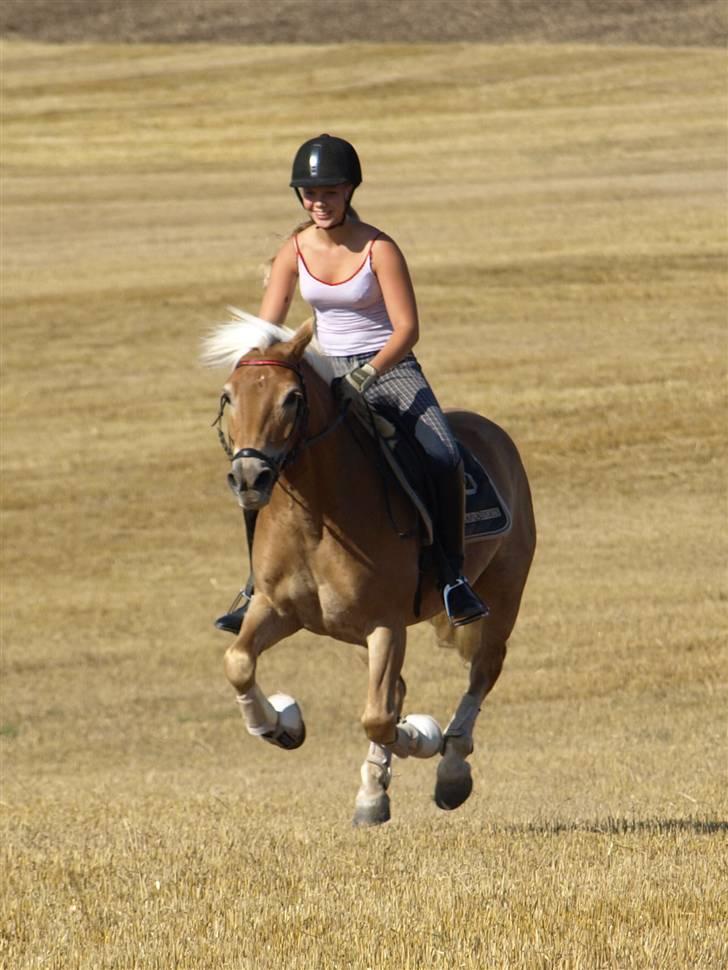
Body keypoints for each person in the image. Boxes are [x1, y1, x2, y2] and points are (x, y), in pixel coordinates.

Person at [216, 134, 487, 633]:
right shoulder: (293, 251)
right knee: (257, 458)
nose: (318, 202)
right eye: (310, 194)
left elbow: (407, 328)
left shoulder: (379, 248)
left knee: (443, 454)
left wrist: (367, 372)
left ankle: (452, 576)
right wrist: (254, 374)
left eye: (329, 193)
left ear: (350, 191)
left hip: (388, 368)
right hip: (321, 369)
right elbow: (267, 329)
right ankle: (257, 582)